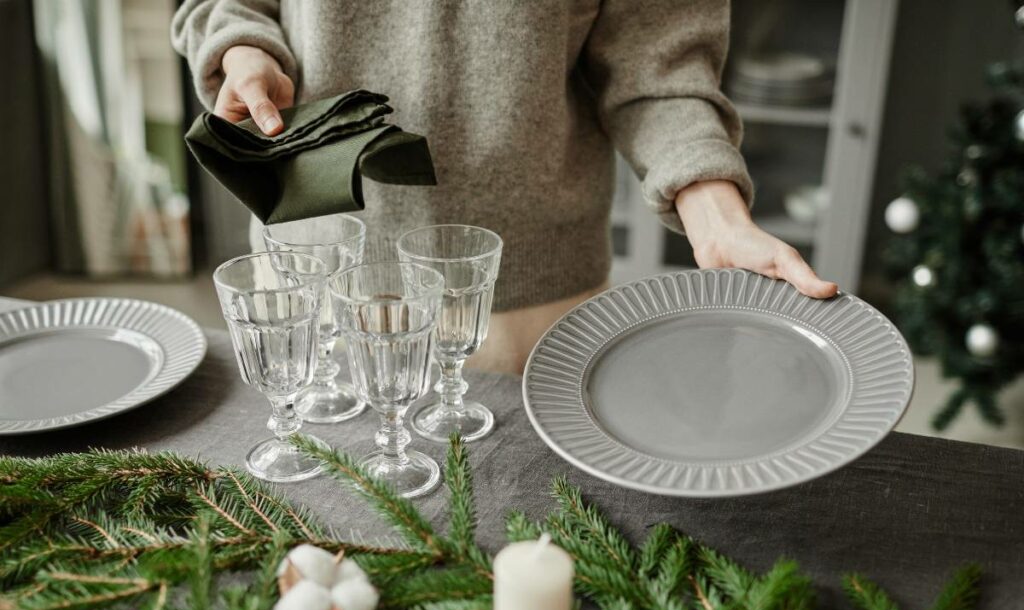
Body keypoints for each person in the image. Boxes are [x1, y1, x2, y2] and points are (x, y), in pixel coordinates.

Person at [172, 0, 838, 374]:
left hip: (526, 303)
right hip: (320, 276)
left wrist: (717, 214)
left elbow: (656, 70)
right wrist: (243, 46)